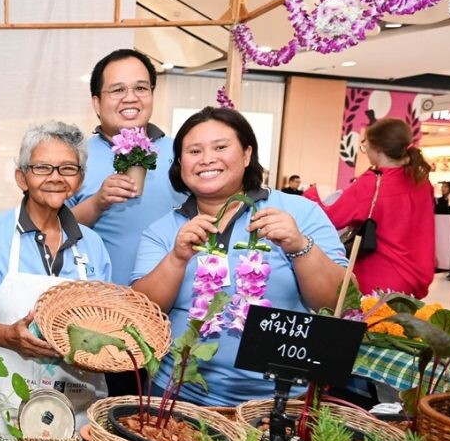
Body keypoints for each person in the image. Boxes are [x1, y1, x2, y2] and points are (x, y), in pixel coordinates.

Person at [132, 107, 347, 407]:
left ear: (247, 155)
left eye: (221, 147)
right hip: (178, 398)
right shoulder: (164, 229)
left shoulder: (299, 212)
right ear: (180, 163)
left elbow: (338, 304)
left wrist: (299, 246)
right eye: (194, 151)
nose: (207, 159)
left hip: (283, 400)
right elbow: (142, 313)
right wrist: (177, 259)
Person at [0, 121, 113, 426]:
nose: (55, 178)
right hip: (3, 403)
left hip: (76, 404)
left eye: (67, 168)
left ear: (79, 179)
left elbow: (106, 321)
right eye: (42, 168)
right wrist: (7, 336)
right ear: (21, 178)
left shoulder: (93, 245)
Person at [69, 49, 180, 285]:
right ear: (96, 102)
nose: (130, 98)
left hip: (171, 305)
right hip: (99, 305)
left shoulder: (182, 153)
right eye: (118, 90)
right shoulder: (75, 158)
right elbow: (52, 229)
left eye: (140, 88)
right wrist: (97, 203)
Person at [303, 118, 435, 298]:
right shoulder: (421, 182)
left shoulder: (373, 182)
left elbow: (331, 218)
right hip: (415, 274)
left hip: (379, 273)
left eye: (365, 145)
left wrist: (311, 194)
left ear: (377, 148)